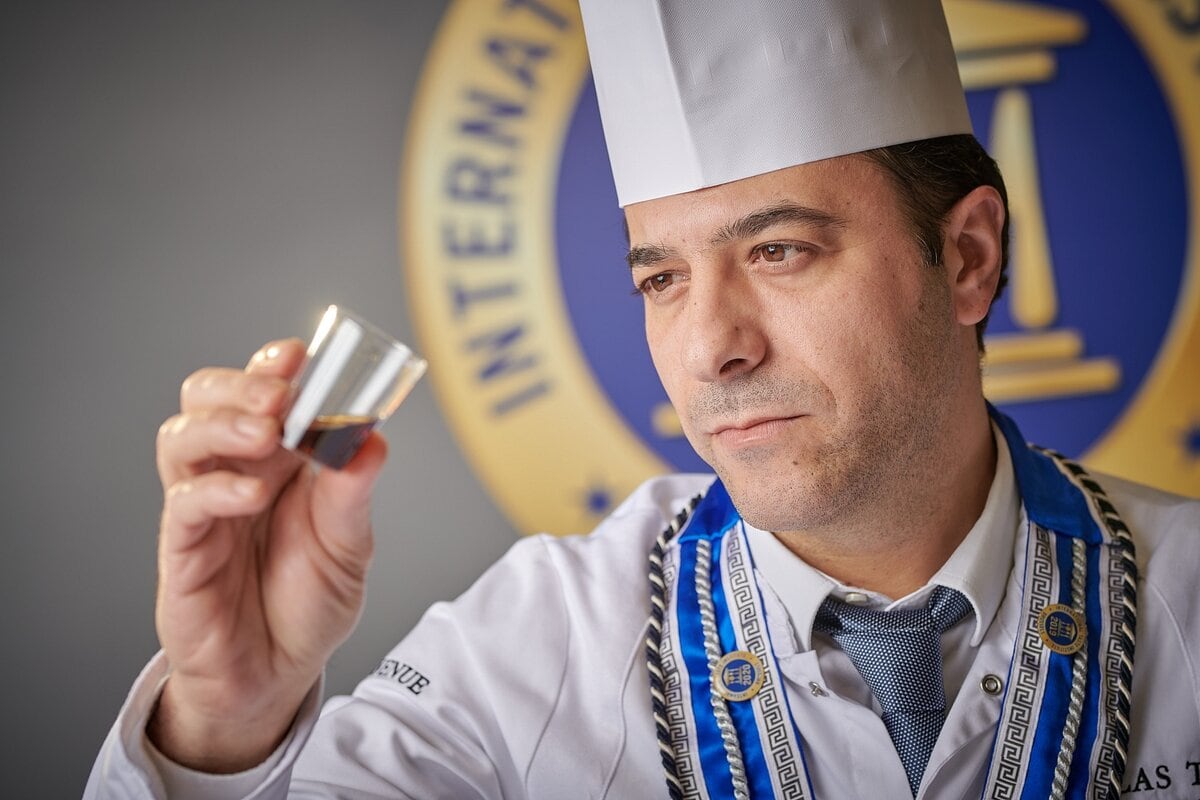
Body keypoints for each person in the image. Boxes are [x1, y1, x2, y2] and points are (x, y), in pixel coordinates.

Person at [86, 0, 1199, 798]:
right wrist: (226, 718)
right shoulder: (531, 644)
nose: (709, 346)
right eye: (661, 277)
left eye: (779, 249)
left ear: (965, 258)